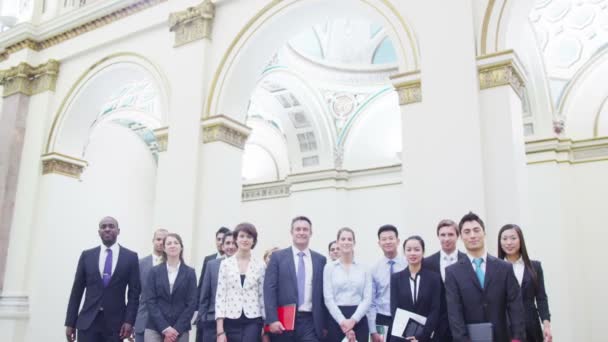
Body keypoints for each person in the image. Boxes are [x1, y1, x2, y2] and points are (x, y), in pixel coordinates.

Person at [444, 212, 525, 342]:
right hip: (471, 338)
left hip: (503, 336)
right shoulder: (453, 272)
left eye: (476, 230)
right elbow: (454, 313)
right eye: (467, 232)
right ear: (461, 237)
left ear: (484, 233)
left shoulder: (504, 268)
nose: (472, 235)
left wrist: (517, 338)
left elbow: (515, 306)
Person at [65, 216, 141, 342]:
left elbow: (134, 294)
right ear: (99, 232)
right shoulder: (87, 256)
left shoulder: (130, 257)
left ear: (118, 231)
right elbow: (76, 291)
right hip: (87, 323)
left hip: (116, 324)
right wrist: (70, 322)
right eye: (103, 227)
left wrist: (129, 321)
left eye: (111, 226)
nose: (107, 229)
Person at [264, 216, 328, 342]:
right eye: (298, 229)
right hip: (283, 322)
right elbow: (269, 290)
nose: (301, 232)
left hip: (310, 322)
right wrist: (272, 319)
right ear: (291, 232)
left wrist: (324, 324)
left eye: (305, 229)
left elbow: (323, 295)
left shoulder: (320, 260)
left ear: (311, 233)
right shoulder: (278, 257)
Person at [498, 224, 552, 342]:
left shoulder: (535, 267)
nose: (509, 242)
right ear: (500, 242)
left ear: (520, 240)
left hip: (531, 327)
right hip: (505, 329)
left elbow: (541, 298)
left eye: (513, 238)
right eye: (504, 238)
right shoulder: (495, 269)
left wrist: (546, 324)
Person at [215, 223, 266, 342]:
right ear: (236, 239)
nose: (245, 239)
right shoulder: (225, 264)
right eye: (242, 236)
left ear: (254, 241)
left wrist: (265, 325)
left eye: (249, 237)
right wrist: (220, 331)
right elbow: (221, 296)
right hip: (230, 319)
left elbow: (262, 296)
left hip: (253, 319)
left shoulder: (260, 265)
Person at [144, 233, 198, 341]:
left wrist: (176, 330)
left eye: (176, 243)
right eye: (169, 243)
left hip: (180, 329)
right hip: (155, 327)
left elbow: (191, 303)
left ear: (181, 247)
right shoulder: (154, 272)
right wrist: (165, 328)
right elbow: (150, 301)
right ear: (164, 248)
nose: (172, 245)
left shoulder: (190, 273)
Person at [323, 227, 372, 342]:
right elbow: (328, 299)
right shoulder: (329, 268)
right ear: (338, 242)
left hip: (358, 318)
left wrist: (353, 320)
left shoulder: (364, 268)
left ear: (354, 243)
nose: (346, 242)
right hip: (336, 319)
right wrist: (342, 322)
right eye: (343, 239)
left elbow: (367, 298)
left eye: (349, 239)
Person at [389, 236, 441, 342]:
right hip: (401, 336)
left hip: (425, 337)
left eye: (417, 249)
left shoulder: (434, 278)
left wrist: (421, 336)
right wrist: (409, 335)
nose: (412, 253)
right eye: (409, 250)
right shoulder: (396, 278)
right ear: (404, 252)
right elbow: (394, 309)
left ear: (423, 252)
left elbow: (435, 310)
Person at [422, 219, 467, 341]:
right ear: (438, 236)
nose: (446, 238)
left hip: (463, 322)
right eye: (443, 235)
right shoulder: (427, 263)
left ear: (457, 236)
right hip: (437, 326)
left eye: (451, 234)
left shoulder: (467, 261)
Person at [196, 231, 237, 342]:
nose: (231, 246)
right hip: (211, 321)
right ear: (222, 246)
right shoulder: (212, 265)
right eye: (227, 243)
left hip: (235, 322)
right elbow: (204, 294)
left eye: (234, 243)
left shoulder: (244, 265)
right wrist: (202, 318)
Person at [369, 225, 406, 342]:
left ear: (398, 241)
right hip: (382, 318)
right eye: (384, 239)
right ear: (379, 243)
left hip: (404, 317)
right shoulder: (374, 269)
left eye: (391, 238)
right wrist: (372, 329)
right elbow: (371, 302)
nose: (388, 242)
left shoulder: (407, 264)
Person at [134, 228, 168, 342]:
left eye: (164, 240)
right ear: (153, 240)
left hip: (166, 322)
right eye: (158, 239)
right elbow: (134, 294)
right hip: (143, 319)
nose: (161, 242)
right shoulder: (141, 263)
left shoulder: (173, 264)